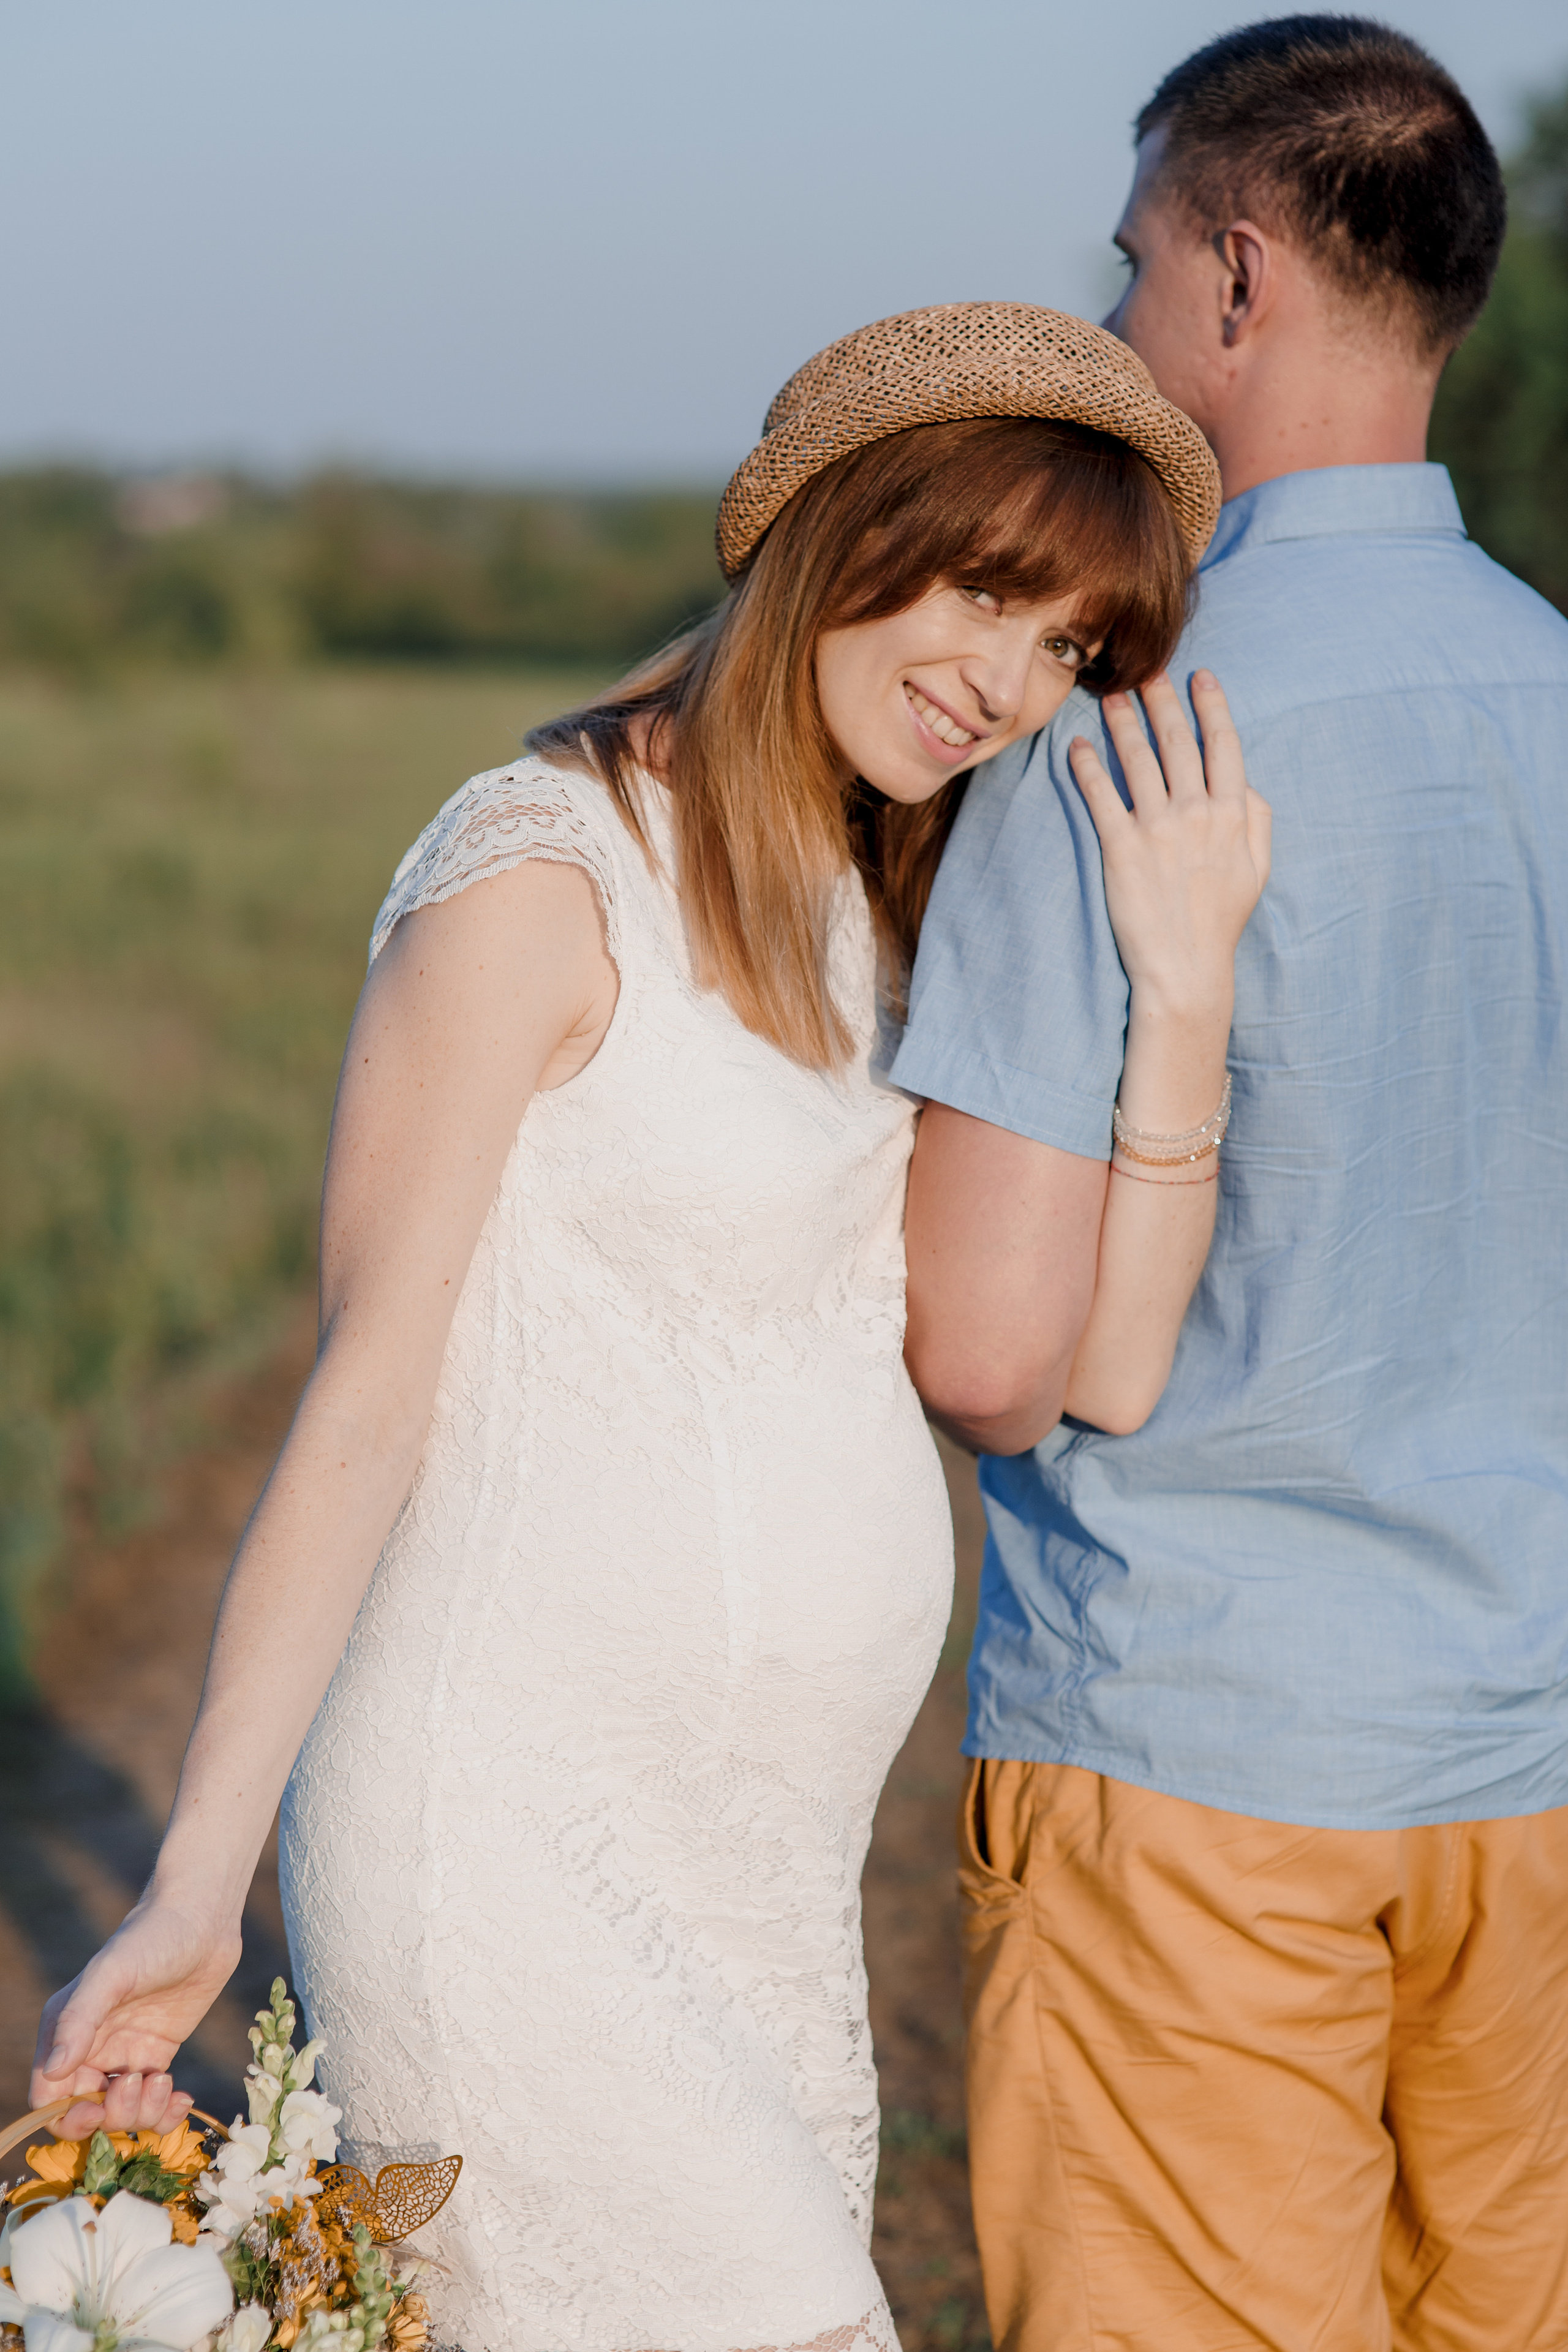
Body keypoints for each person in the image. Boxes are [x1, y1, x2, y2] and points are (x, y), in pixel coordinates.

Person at [29, 306, 1267, 2352]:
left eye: (1068, 648)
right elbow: (362, 1399)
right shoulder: (541, 876)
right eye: (985, 592)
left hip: (759, 1884)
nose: (1009, 684)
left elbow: (1104, 1376)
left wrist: (1187, 989)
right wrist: (193, 1886)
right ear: (837, 530)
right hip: (505, 1844)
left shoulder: (890, 904)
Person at [895, 20, 1568, 2352]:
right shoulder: (1558, 695)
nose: (1112, 323)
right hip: (1541, 1767)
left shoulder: (1112, 729)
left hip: (1196, 1768)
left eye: (1134, 259)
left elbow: (991, 1358)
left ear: (1244, 278)